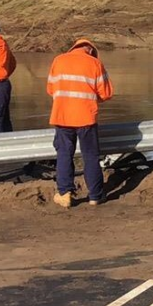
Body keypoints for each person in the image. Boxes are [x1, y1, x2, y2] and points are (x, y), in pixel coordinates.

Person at [47, 38, 114, 208]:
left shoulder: (58, 60)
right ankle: (95, 196)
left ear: (74, 48)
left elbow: (50, 89)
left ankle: (64, 194)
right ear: (90, 50)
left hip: (62, 116)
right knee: (90, 156)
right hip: (85, 117)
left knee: (64, 154)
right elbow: (106, 93)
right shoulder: (94, 63)